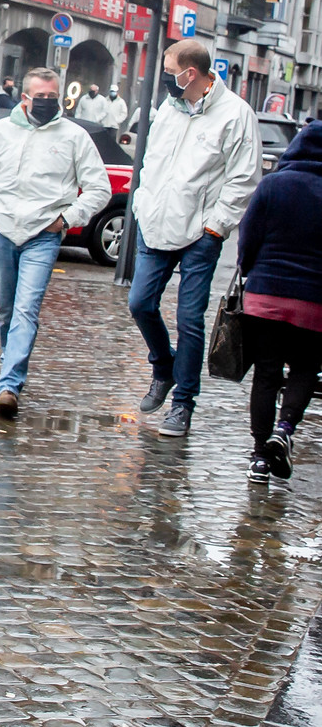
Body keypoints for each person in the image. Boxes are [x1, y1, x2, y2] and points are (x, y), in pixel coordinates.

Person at [131, 39, 262, 437]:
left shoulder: (236, 114)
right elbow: (152, 162)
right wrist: (142, 202)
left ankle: (183, 403)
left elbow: (244, 177)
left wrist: (216, 226)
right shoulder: (167, 111)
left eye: (170, 70)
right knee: (140, 303)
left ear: (191, 73)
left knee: (190, 319)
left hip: (200, 233)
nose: (166, 79)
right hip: (155, 223)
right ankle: (163, 367)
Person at [0, 68, 110, 418]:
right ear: (25, 98)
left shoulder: (74, 136)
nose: (47, 102)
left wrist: (66, 220)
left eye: (53, 96)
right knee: (4, 307)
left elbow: (99, 188)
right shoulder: (0, 131)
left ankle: (10, 384)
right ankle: (8, 367)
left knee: (26, 307)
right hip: (3, 229)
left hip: (44, 234)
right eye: (41, 96)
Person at [236, 120, 322, 484]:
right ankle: (284, 429)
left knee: (266, 373)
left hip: (265, 296)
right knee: (305, 367)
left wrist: (251, 271)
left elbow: (248, 237)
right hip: (314, 302)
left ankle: (258, 458)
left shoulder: (273, 185)